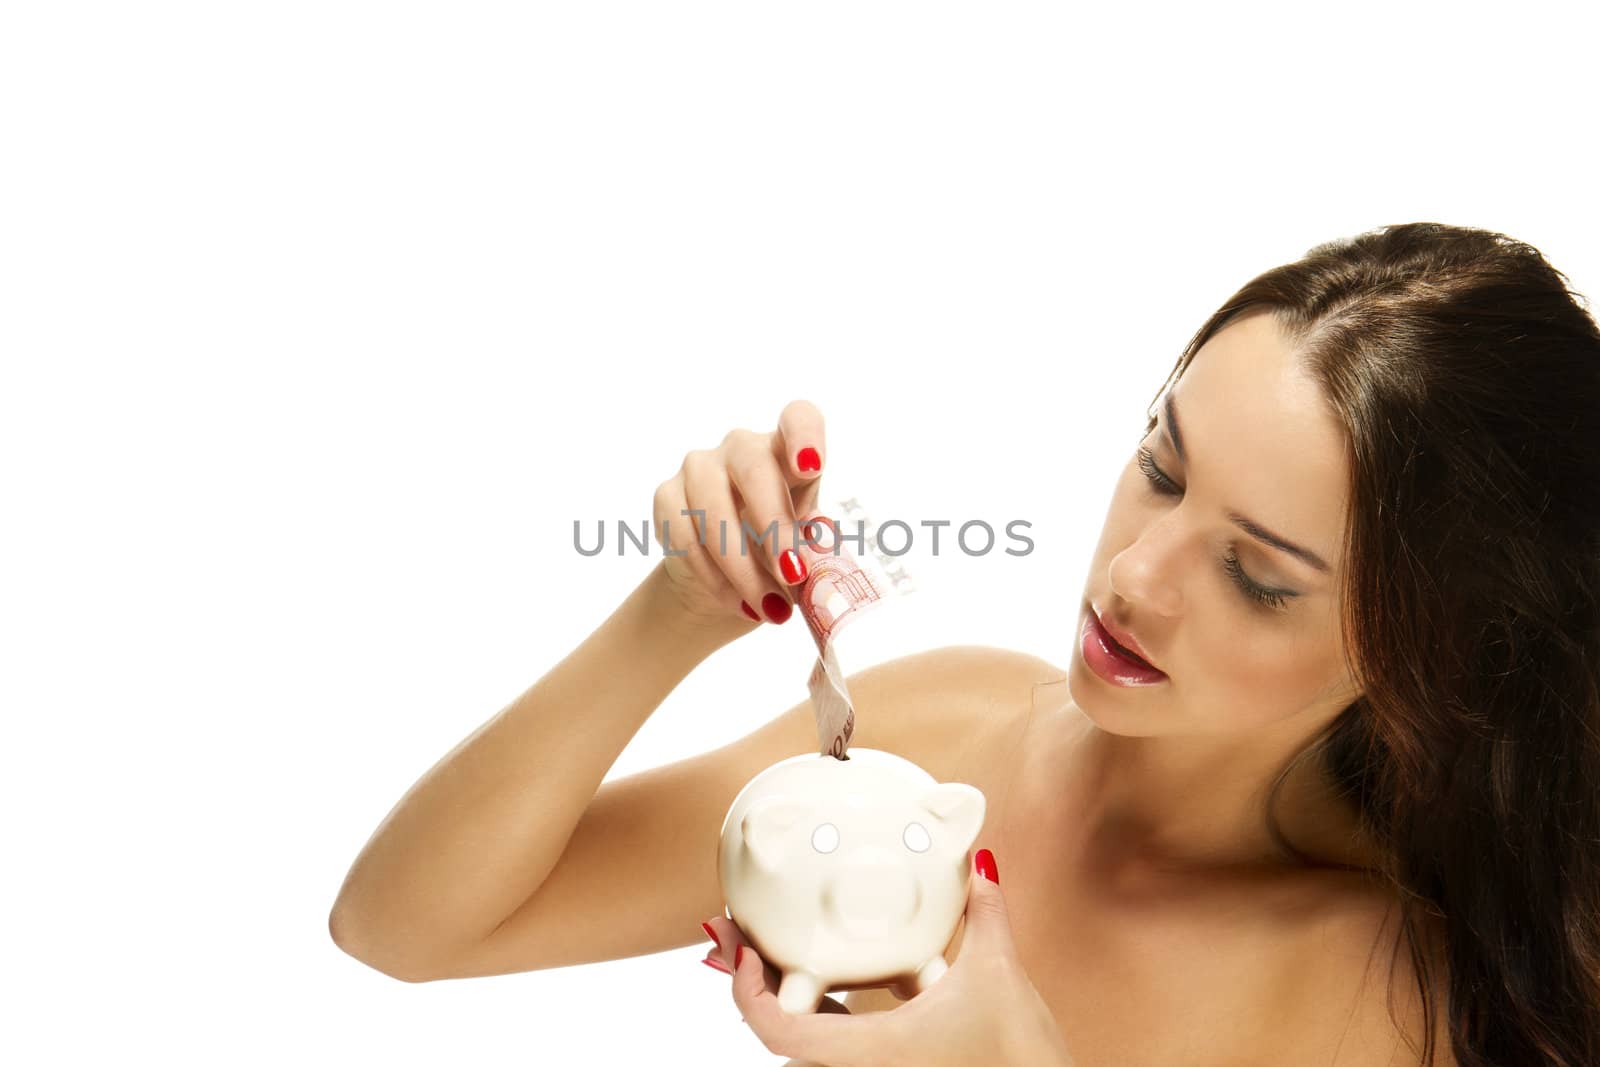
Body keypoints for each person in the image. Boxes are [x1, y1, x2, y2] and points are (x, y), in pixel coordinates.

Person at [328, 222, 1600, 1066]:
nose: (1135, 574)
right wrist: (672, 616)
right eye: (1159, 467)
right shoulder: (938, 735)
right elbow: (403, 928)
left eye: (1256, 575)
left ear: (1422, 652)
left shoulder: (1387, 992)